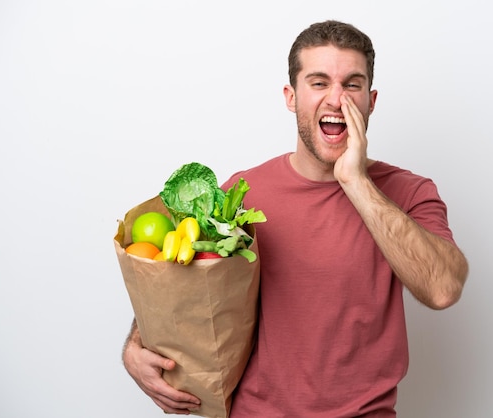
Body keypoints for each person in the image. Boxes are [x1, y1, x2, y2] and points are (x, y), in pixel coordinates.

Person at [122, 20, 469, 417]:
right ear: (291, 96)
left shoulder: (409, 192)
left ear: (371, 100)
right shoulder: (241, 194)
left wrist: (356, 182)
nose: (337, 100)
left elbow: (443, 288)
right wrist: (136, 345)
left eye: (352, 85)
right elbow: (184, 276)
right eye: (319, 83)